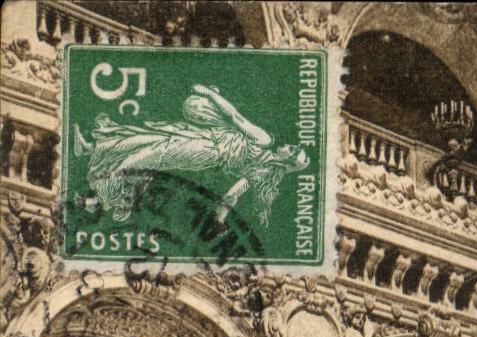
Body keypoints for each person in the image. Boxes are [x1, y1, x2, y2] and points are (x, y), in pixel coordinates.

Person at [75, 83, 308, 229]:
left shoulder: (264, 140)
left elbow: (235, 117)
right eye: (294, 147)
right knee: (149, 137)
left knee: (150, 155)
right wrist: (220, 218)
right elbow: (231, 195)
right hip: (206, 139)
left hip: (205, 149)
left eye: (293, 150)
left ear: (287, 159)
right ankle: (92, 150)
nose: (289, 146)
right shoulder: (262, 172)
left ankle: (100, 198)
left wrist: (208, 93)